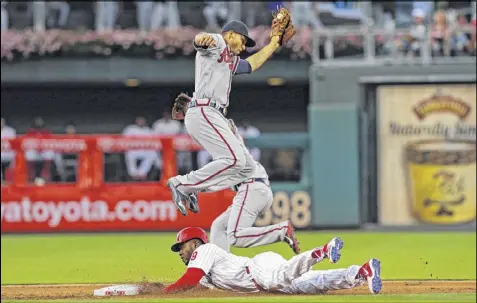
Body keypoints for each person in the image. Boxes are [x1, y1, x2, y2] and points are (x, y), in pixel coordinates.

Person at [167, 19, 286, 216]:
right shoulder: (219, 43)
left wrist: (274, 43)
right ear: (230, 34)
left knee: (247, 168)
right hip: (205, 111)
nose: (244, 46)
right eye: (243, 40)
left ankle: (193, 187)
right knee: (234, 159)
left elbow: (250, 65)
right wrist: (201, 38)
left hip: (213, 115)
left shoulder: (229, 59)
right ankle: (182, 184)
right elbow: (200, 42)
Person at [162, 227, 382, 295]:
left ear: (194, 242)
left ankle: (322, 251)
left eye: (181, 246)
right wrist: (153, 288)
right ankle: (361, 272)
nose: (180, 252)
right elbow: (191, 287)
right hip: (263, 281)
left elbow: (190, 279)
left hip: (259, 269)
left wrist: (164, 295)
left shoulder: (205, 250)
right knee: (317, 283)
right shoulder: (207, 272)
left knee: (281, 275)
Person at [209, 118, 300, 254]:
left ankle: (280, 231)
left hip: (251, 188)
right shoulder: (234, 145)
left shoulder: (229, 150)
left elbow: (215, 180)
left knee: (235, 236)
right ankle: (221, 268)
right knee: (219, 226)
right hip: (257, 189)